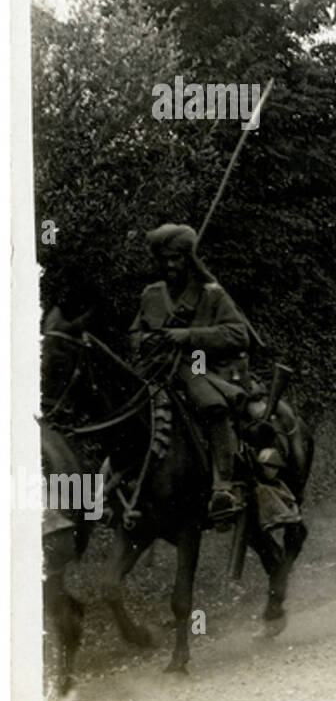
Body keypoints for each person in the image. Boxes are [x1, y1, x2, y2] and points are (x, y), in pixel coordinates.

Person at [130, 223, 252, 520]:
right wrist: (146, 339)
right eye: (165, 259)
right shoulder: (151, 295)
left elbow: (239, 335)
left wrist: (190, 336)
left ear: (189, 258)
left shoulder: (211, 295)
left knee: (213, 406)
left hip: (200, 364)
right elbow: (134, 333)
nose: (170, 265)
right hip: (156, 369)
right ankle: (112, 490)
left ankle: (222, 487)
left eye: (177, 258)